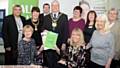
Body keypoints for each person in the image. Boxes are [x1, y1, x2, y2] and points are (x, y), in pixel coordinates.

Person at [42, 0, 69, 68]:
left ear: (59, 7)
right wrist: (45, 31)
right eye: (53, 6)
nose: (54, 7)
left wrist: (64, 43)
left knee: (58, 63)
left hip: (59, 44)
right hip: (49, 44)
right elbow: (42, 28)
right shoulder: (46, 17)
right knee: (49, 62)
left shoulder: (64, 16)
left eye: (56, 5)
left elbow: (66, 30)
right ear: (51, 7)